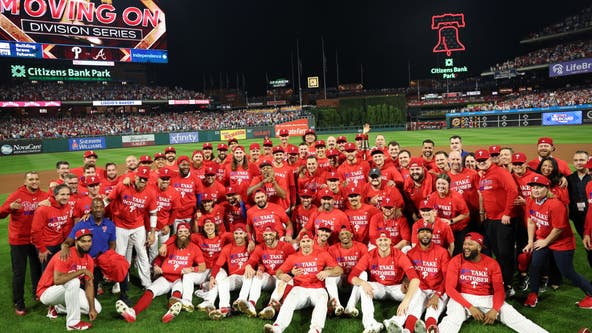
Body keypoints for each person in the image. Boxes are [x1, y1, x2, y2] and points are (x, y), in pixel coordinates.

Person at [438, 232, 548, 333]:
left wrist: (495, 309)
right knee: (453, 319)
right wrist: (470, 307)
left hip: (486, 297)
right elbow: (450, 289)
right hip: (462, 297)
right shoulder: (456, 260)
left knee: (515, 317)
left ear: (479, 247)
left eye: (470, 244)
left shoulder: (492, 263)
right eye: (465, 244)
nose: (466, 247)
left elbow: (499, 290)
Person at [522, 176, 592, 308]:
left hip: (561, 242)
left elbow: (559, 229)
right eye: (533, 187)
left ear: (547, 188)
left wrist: (545, 242)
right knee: (535, 265)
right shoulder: (530, 201)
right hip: (542, 239)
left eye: (539, 187)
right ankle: (533, 294)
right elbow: (531, 221)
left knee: (567, 272)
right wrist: (530, 241)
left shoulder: (555, 204)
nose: (535, 190)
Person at [115, 222, 206, 323]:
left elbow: (203, 267)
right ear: (176, 234)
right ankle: (133, 312)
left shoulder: (194, 248)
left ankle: (170, 313)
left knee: (176, 293)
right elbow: (158, 260)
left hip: (180, 279)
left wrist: (192, 269)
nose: (183, 234)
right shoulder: (170, 246)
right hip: (165, 277)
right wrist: (156, 267)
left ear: (189, 233)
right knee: (150, 290)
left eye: (185, 232)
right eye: (180, 232)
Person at [263, 231, 343, 333]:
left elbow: (339, 270)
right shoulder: (293, 257)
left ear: (313, 242)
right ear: (300, 243)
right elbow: (279, 272)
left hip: (318, 289)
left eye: (308, 241)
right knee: (289, 300)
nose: (306, 244)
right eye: (303, 241)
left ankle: (315, 330)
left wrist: (328, 272)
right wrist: (283, 275)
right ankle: (277, 328)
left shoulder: (323, 254)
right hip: (300, 288)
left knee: (322, 300)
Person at [348, 231, 421, 333]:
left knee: (418, 292)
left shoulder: (399, 255)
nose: (383, 243)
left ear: (390, 241)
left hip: (396, 287)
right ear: (376, 242)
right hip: (379, 288)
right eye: (380, 240)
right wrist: (363, 283)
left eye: (386, 239)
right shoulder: (369, 255)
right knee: (362, 286)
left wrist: (405, 301)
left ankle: (395, 321)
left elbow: (415, 279)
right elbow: (352, 276)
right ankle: (370, 324)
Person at [61, 198, 130, 303]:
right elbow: (70, 240)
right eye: (96, 207)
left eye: (101, 207)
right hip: (88, 261)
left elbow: (112, 243)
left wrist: (109, 258)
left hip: (103, 257)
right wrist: (65, 246)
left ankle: (124, 296)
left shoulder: (109, 224)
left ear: (104, 208)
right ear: (91, 209)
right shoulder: (82, 224)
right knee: (90, 298)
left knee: (122, 264)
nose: (98, 210)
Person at [0, 171, 48, 315]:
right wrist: (10, 207)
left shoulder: (44, 196)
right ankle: (19, 303)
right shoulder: (16, 195)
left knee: (37, 270)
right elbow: (1, 214)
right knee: (19, 273)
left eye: (36, 179)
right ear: (25, 182)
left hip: (36, 240)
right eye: (31, 179)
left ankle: (37, 294)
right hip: (18, 240)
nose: (34, 181)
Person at [37, 229, 101, 331]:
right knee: (74, 282)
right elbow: (57, 280)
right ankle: (73, 323)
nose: (87, 244)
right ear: (76, 242)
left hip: (66, 289)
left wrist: (92, 309)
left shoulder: (89, 260)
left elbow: (89, 285)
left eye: (89, 241)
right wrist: (81, 271)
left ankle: (58, 307)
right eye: (83, 241)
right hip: (47, 292)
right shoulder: (65, 254)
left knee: (98, 308)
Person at [475, 149, 519, 296]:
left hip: (502, 220)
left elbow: (513, 191)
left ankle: (508, 285)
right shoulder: (483, 176)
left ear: (490, 159)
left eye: (484, 160)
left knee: (504, 253)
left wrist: (507, 213)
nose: (482, 163)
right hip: (491, 220)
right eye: (479, 161)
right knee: (493, 252)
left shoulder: (500, 172)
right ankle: (499, 282)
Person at [105, 165, 157, 288]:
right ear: (136, 177)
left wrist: (153, 232)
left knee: (142, 253)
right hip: (120, 225)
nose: (142, 181)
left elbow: (153, 212)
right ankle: (120, 282)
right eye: (140, 179)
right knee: (120, 254)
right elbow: (108, 200)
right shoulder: (123, 185)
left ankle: (147, 283)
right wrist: (91, 213)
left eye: (145, 179)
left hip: (138, 226)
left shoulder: (150, 192)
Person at [241, 227, 296, 318]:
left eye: (270, 234)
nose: (268, 237)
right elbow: (252, 260)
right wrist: (248, 266)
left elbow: (295, 261)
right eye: (265, 235)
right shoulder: (260, 247)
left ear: (275, 234)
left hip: (281, 276)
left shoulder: (286, 246)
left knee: (282, 282)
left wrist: (289, 274)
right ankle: (251, 304)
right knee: (257, 277)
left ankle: (270, 306)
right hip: (269, 276)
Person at [406, 224, 451, 333]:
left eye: (428, 232)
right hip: (421, 288)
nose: (425, 234)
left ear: (432, 234)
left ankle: (431, 328)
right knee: (414, 308)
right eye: (422, 232)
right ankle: (407, 330)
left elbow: (448, 278)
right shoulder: (410, 253)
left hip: (439, 288)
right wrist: (405, 281)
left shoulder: (442, 252)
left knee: (433, 309)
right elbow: (409, 274)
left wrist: (438, 294)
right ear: (417, 235)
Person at [208, 223, 251, 320]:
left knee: (248, 276)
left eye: (241, 233)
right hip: (234, 276)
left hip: (247, 276)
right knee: (223, 282)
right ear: (233, 235)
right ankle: (225, 308)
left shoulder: (250, 246)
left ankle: (241, 301)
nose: (238, 236)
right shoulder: (227, 248)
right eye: (236, 233)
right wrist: (212, 277)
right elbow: (218, 265)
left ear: (245, 234)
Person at [326, 225, 368, 317]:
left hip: (354, 282)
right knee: (329, 275)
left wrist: (351, 277)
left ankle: (351, 306)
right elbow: (330, 267)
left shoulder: (362, 247)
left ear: (352, 235)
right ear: (338, 237)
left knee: (363, 274)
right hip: (340, 282)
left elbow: (364, 266)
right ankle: (336, 305)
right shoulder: (332, 249)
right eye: (342, 234)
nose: (344, 236)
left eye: (347, 233)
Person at [31, 184, 74, 271]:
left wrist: (66, 244)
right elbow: (35, 231)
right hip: (47, 247)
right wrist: (42, 249)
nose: (65, 197)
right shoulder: (43, 209)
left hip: (60, 245)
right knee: (48, 273)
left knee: (61, 271)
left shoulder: (68, 207)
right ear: (55, 195)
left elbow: (67, 226)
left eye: (67, 194)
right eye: (62, 194)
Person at [568, 151, 592, 268]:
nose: (579, 163)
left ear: (588, 161)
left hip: (590, 217)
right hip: (578, 218)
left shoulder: (590, 177)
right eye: (576, 160)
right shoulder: (569, 179)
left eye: (582, 160)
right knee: (588, 246)